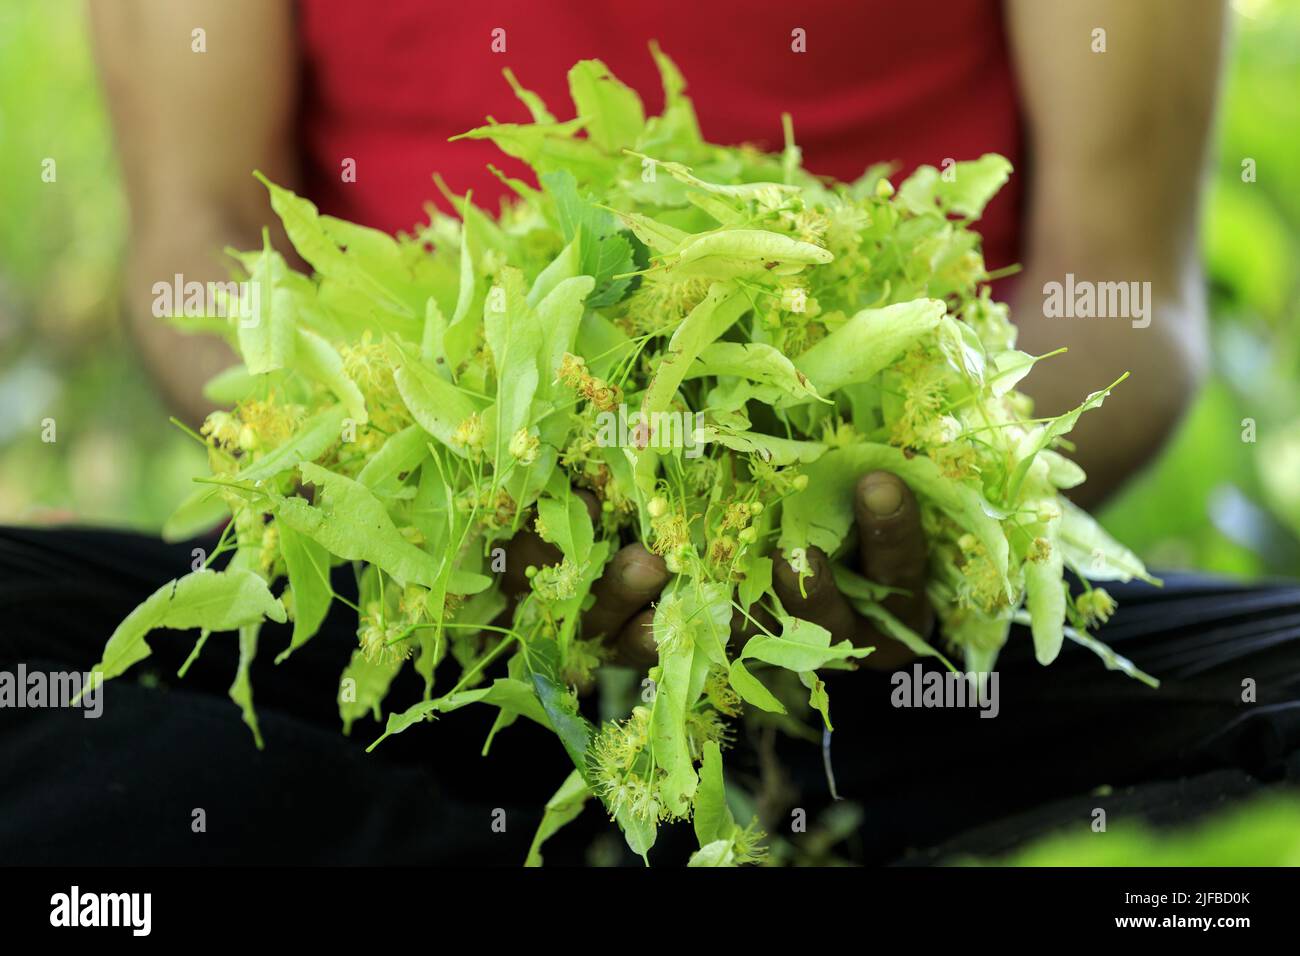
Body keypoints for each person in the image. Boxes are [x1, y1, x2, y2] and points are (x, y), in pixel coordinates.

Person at [7, 0, 1294, 866]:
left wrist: (911, 491)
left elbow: (1124, 287)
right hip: (416, 618)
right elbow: (197, 247)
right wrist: (434, 480)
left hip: (915, 648)